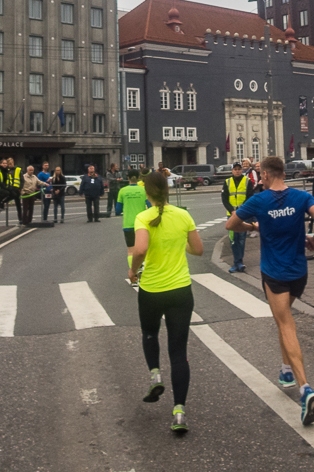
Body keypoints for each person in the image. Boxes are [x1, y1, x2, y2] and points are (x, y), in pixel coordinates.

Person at [226, 156, 314, 426]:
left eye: (260, 174)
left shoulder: (259, 200)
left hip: (275, 272)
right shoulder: (300, 196)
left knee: (285, 324)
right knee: (283, 319)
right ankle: (285, 372)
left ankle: (305, 388)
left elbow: (231, 224)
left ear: (268, 175)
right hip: (299, 272)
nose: (259, 179)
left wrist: (252, 226)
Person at [129, 171, 204, 434]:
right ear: (168, 190)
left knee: (150, 332)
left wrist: (132, 271)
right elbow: (198, 249)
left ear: (147, 194)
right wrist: (178, 245)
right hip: (180, 291)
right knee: (178, 351)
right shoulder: (183, 215)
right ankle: (180, 412)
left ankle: (155, 375)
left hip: (151, 289)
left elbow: (139, 249)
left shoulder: (143, 217)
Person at [117, 169, 148, 283]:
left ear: (128, 178)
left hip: (128, 224)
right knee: (143, 249)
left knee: (131, 250)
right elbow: (150, 206)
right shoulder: (143, 190)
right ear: (138, 177)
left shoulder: (122, 191)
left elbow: (117, 210)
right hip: (142, 224)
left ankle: (133, 274)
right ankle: (142, 270)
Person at [221, 162, 251, 273]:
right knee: (233, 239)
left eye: (239, 169)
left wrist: (241, 211)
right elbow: (224, 199)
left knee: (241, 239)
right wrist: (232, 211)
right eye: (235, 169)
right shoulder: (227, 182)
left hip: (243, 215)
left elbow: (250, 197)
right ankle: (236, 262)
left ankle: (239, 262)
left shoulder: (247, 181)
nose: (237, 171)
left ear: (242, 170)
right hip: (231, 215)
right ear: (232, 170)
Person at [0, 158, 23, 224]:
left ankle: (21, 219)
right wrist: (7, 188)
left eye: (10, 163)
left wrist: (20, 188)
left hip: (16, 188)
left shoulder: (17, 169)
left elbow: (22, 180)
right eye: (8, 163)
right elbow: (2, 181)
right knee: (8, 194)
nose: (9, 165)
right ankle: (0, 203)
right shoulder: (4, 170)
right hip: (7, 188)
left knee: (18, 205)